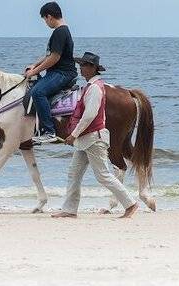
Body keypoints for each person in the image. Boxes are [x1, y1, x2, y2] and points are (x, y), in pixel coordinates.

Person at [51, 52, 139, 219]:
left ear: (92, 68)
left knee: (103, 175)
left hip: (93, 140)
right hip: (86, 139)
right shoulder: (92, 86)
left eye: (83, 65)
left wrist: (73, 135)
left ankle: (131, 204)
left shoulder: (94, 89)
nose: (80, 68)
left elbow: (90, 115)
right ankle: (69, 209)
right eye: (80, 65)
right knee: (74, 173)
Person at [24, 1, 77, 144]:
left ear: (49, 17)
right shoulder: (61, 31)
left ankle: (49, 131)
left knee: (37, 92)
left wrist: (35, 71)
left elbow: (55, 57)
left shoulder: (60, 32)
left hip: (62, 73)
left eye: (45, 19)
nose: (46, 23)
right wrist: (35, 64)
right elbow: (49, 55)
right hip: (59, 72)